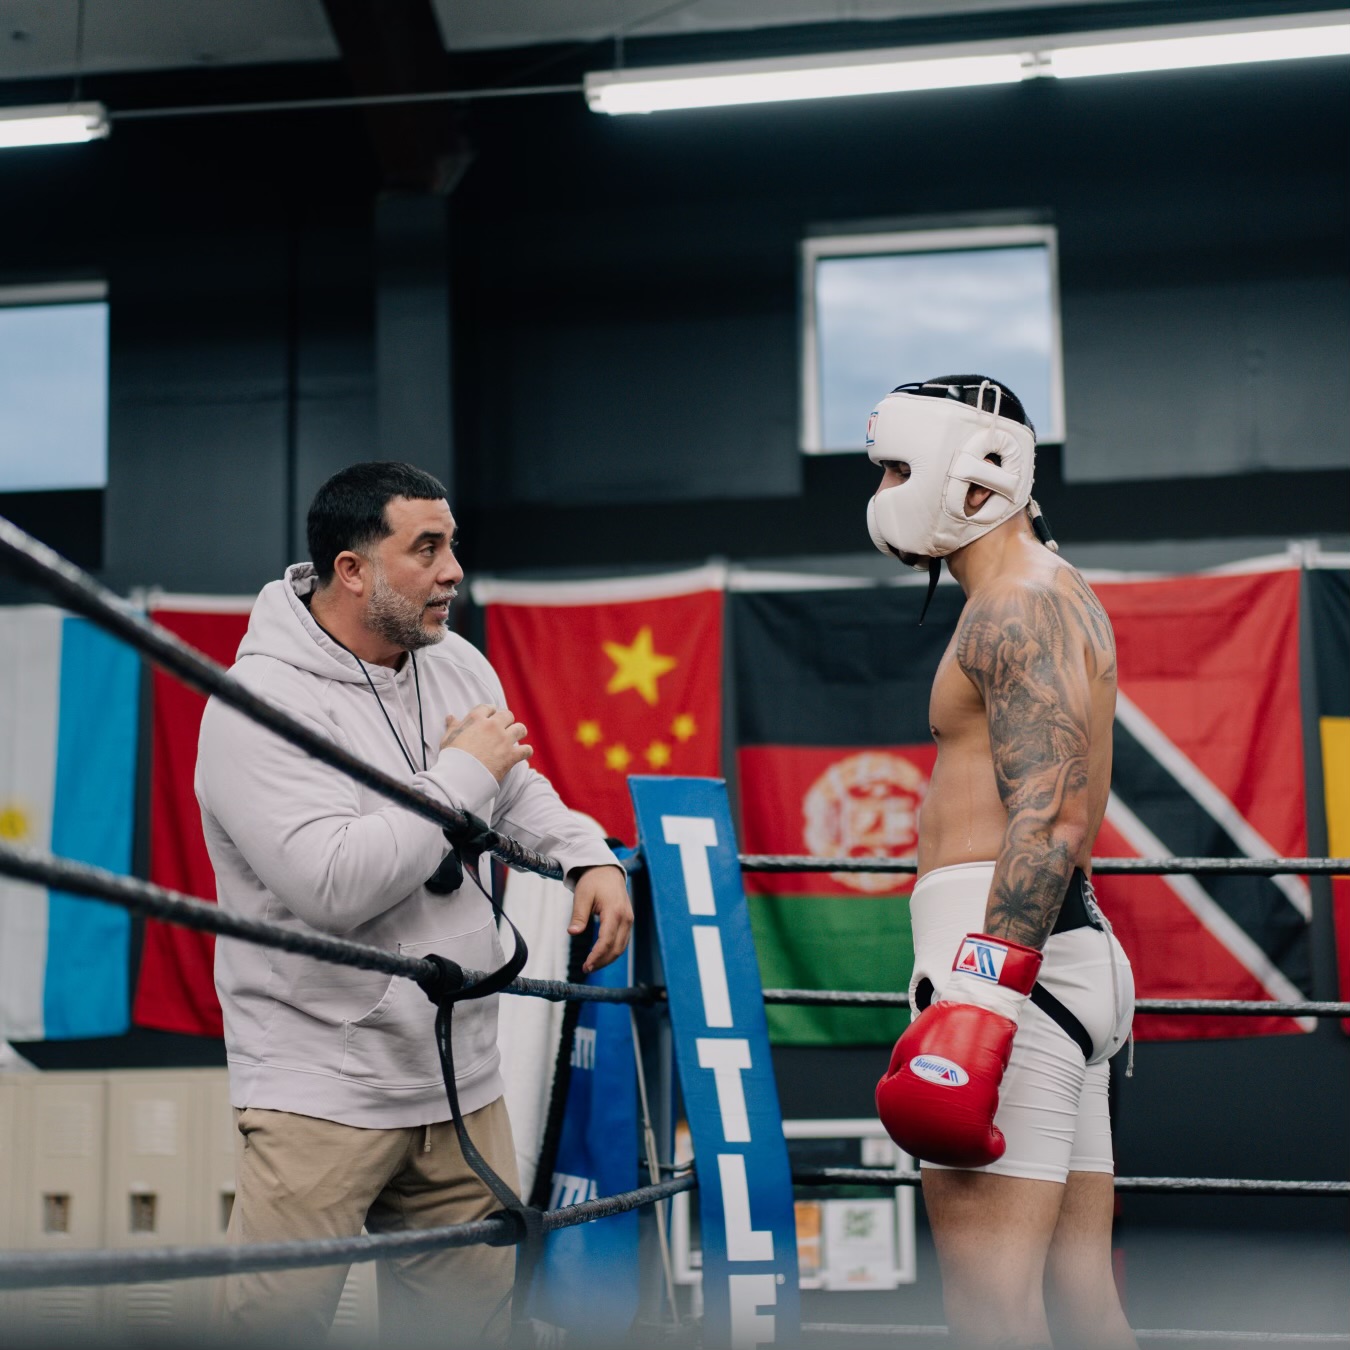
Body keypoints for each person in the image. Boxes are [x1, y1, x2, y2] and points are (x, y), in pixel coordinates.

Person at [196, 461, 633, 1346]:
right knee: (270, 1331)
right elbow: (332, 886)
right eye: (426, 549)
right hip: (322, 1084)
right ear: (351, 569)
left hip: (460, 1078)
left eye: (452, 546)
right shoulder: (258, 705)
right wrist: (462, 773)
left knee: (464, 1330)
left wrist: (584, 852)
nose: (453, 571)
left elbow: (511, 787)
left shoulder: (453, 660)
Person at [869, 379, 1136, 1350]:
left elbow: (1052, 815)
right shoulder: (1041, 588)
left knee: (991, 1314)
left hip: (1010, 981)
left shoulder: (1018, 601)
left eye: (897, 469)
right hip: (1053, 970)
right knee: (1082, 1301)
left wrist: (982, 1001)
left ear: (974, 474)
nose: (884, 494)